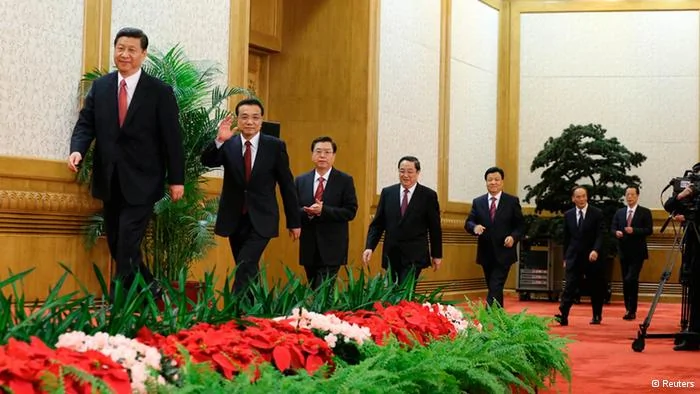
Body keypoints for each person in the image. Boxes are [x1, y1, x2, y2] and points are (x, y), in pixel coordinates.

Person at [68, 27, 185, 299]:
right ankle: (152, 289)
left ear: (143, 54)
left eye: (132, 50)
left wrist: (176, 179)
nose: (125, 54)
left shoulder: (159, 91)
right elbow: (86, 124)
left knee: (128, 240)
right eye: (120, 48)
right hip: (109, 179)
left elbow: (172, 138)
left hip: (144, 181)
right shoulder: (101, 86)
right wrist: (78, 151)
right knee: (119, 242)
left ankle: (118, 302)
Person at [201, 97, 300, 295]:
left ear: (261, 120)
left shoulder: (274, 146)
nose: (250, 122)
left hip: (263, 218)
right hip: (234, 218)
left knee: (246, 263)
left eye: (255, 117)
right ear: (238, 120)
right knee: (246, 267)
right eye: (244, 117)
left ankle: (236, 312)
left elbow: (287, 185)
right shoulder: (229, 143)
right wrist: (220, 140)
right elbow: (207, 161)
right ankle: (253, 315)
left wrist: (294, 221)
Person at [362, 156, 442, 286]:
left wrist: (437, 255)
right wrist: (369, 247)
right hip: (391, 254)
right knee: (392, 293)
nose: (405, 175)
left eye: (410, 171)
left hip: (414, 255)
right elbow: (378, 224)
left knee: (405, 293)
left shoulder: (428, 195)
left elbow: (435, 228)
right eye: (402, 171)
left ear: (418, 173)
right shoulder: (388, 193)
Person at [295, 136, 358, 289]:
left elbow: (350, 211)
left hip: (333, 246)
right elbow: (293, 209)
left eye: (327, 152)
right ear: (312, 155)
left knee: (323, 288)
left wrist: (324, 210)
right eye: (318, 151)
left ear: (333, 156)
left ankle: (320, 313)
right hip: (309, 246)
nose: (322, 156)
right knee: (314, 288)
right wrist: (308, 212)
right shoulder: (301, 180)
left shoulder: (345, 180)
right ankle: (320, 313)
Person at [465, 167, 524, 307]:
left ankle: (487, 317)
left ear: (502, 182)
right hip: (486, 253)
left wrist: (513, 237)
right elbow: (468, 222)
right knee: (494, 287)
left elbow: (520, 226)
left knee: (496, 284)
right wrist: (475, 227)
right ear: (486, 182)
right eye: (490, 180)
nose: (493, 182)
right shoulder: (478, 202)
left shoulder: (511, 201)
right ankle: (499, 319)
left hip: (504, 251)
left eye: (496, 179)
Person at [555, 186, 605, 326]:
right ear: (573, 198)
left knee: (595, 286)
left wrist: (596, 250)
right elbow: (566, 238)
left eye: (583, 196)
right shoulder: (569, 215)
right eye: (578, 197)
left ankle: (596, 315)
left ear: (587, 197)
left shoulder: (597, 213)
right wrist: (565, 257)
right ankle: (563, 314)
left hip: (592, 257)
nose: (581, 199)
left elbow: (600, 235)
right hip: (574, 256)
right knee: (569, 286)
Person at [663, 165, 700, 351]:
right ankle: (692, 334)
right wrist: (682, 195)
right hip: (693, 248)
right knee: (693, 290)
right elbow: (668, 206)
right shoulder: (691, 188)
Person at [611, 186, 653, 320]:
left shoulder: (645, 212)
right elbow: (613, 228)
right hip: (623, 251)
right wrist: (616, 232)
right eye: (627, 194)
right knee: (626, 280)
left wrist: (634, 230)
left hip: (638, 252)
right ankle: (628, 308)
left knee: (631, 279)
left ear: (637, 196)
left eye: (632, 195)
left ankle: (632, 309)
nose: (629, 197)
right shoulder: (620, 212)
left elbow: (649, 230)